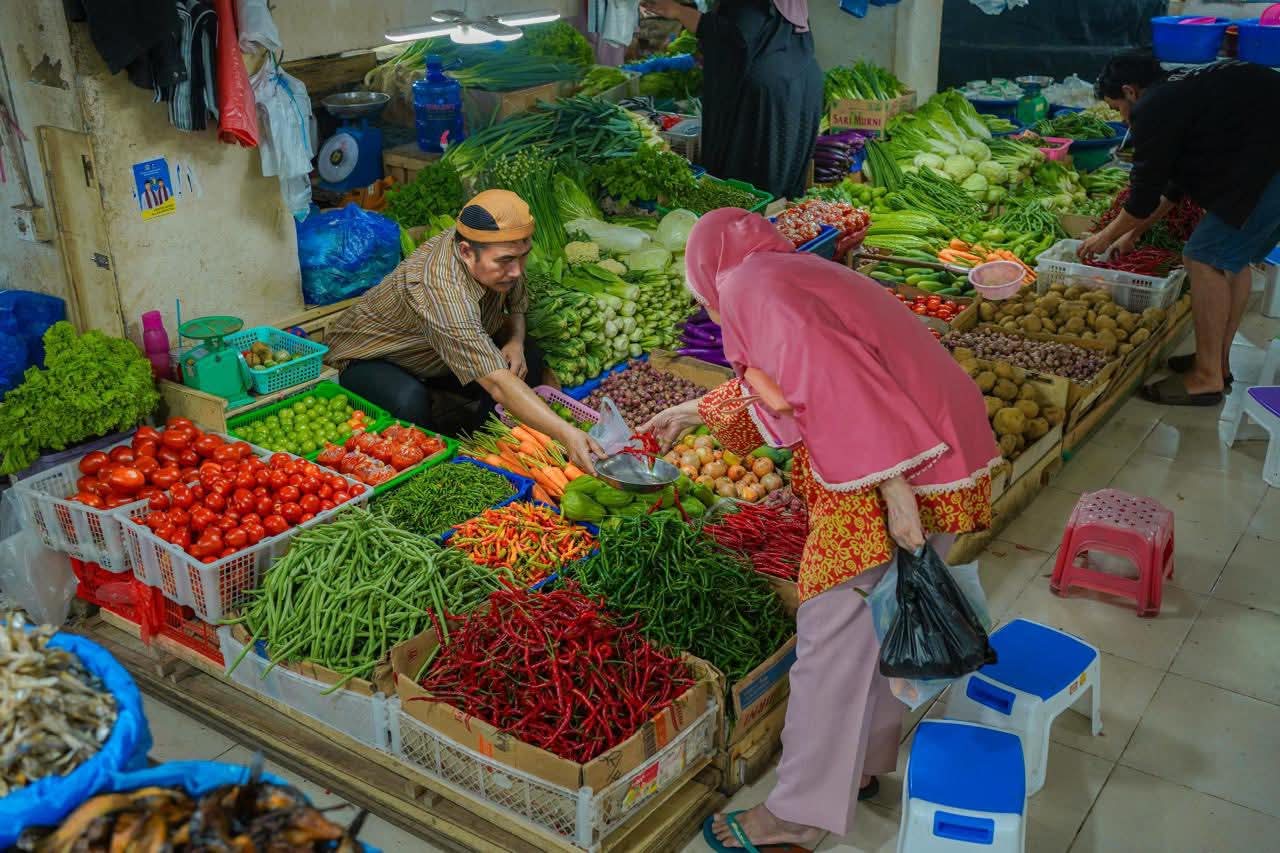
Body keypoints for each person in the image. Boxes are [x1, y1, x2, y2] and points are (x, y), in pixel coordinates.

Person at [639, 209, 999, 850]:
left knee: (831, 639)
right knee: (886, 621)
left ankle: (798, 817)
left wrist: (896, 498)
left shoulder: (752, 288)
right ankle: (858, 765)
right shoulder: (789, 273)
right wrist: (694, 409)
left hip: (889, 468)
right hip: (942, 449)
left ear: (705, 271)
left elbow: (843, 388)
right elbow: (793, 386)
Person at [326, 189, 603, 472]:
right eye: (506, 261)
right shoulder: (438, 287)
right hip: (374, 357)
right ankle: (443, 469)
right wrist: (567, 433)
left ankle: (491, 446)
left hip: (435, 350)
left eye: (523, 257)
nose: (518, 270)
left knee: (527, 355)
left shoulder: (496, 248)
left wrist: (516, 341)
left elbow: (518, 301)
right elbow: (497, 384)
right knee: (409, 402)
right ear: (466, 253)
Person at [1078, 54, 1280, 406]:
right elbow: (1174, 184)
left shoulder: (1153, 106)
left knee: (1202, 258)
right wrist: (1134, 232)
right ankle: (1217, 362)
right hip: (1266, 161)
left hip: (1268, 171)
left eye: (1118, 108)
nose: (1123, 118)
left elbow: (1142, 194)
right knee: (1232, 262)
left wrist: (1104, 237)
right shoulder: (1179, 89)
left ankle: (1206, 378)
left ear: (1130, 91)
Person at [639, 0, 822, 200]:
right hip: (799, 86)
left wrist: (678, 12)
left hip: (763, 100)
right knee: (781, 194)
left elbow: (733, 37)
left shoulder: (749, 7)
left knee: (747, 196)